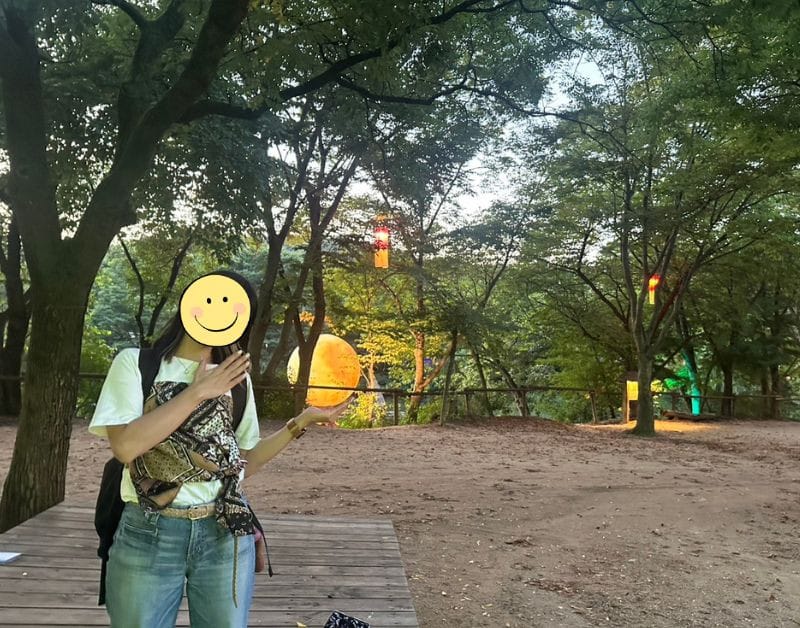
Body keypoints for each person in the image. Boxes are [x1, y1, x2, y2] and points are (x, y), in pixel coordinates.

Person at [89, 270, 347, 628]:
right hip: (148, 532)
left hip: (224, 535)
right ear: (190, 303)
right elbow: (125, 446)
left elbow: (242, 464)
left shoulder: (236, 381)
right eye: (211, 299)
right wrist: (198, 392)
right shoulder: (136, 364)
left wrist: (299, 422)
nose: (218, 310)